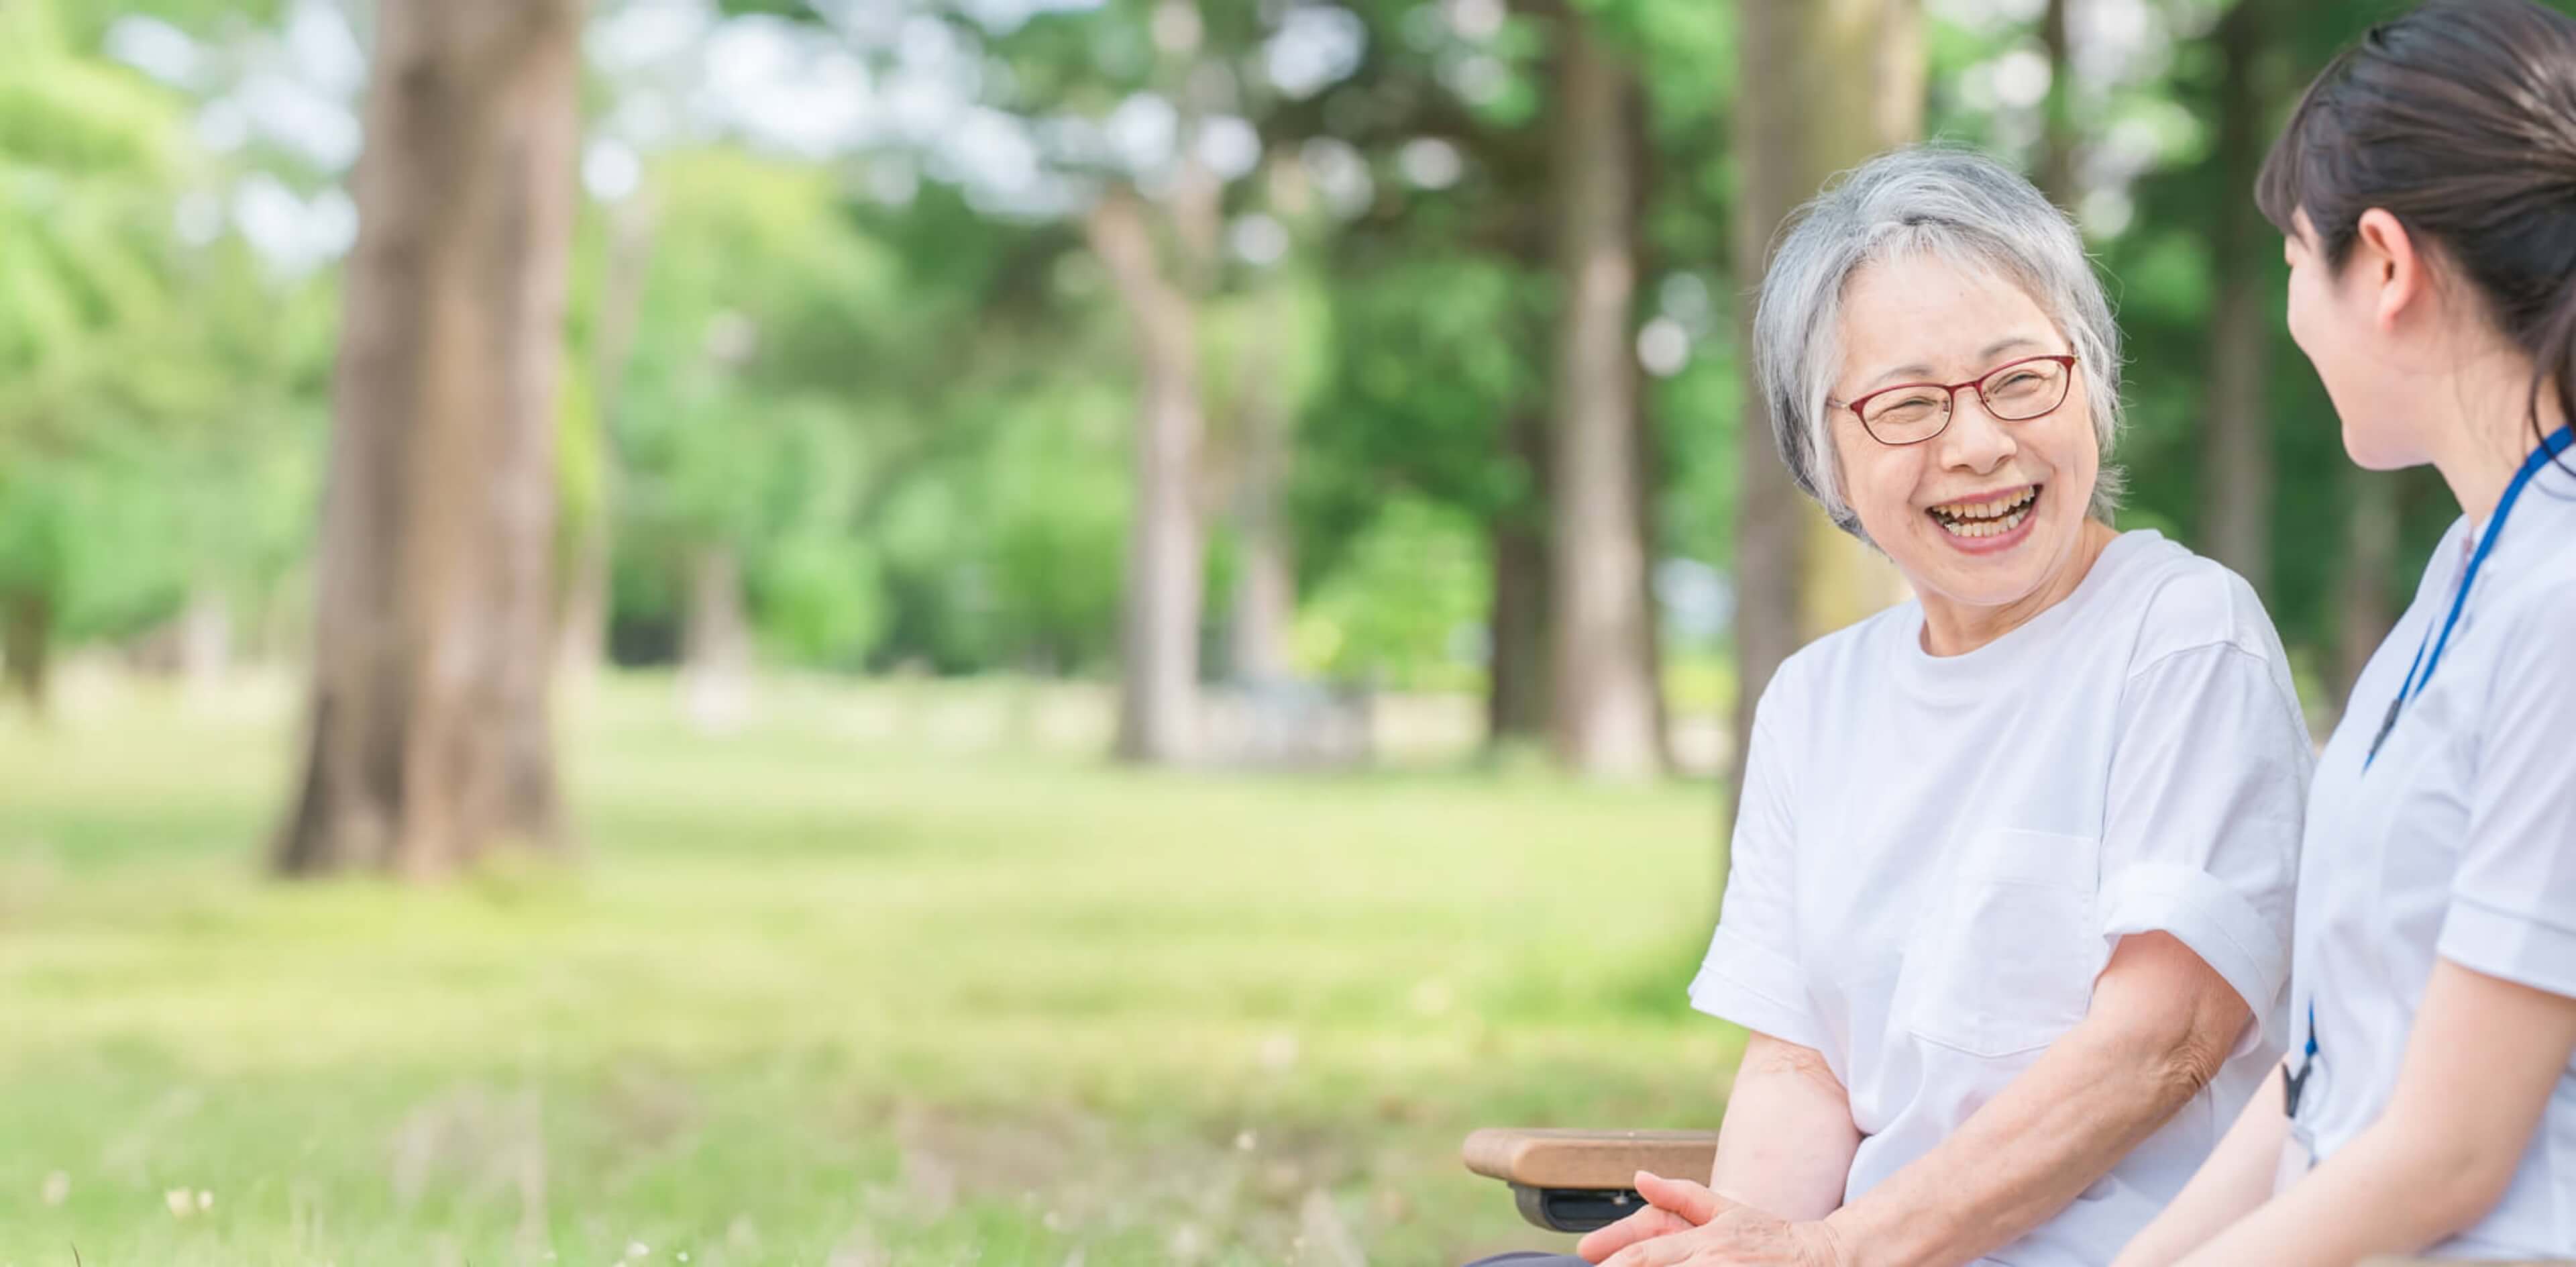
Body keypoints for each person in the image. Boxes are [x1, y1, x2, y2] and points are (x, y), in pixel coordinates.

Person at [1468, 146, 2313, 1267]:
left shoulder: (2184, 635)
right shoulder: (1818, 699)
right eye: (1908, 405)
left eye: (2020, 381)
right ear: (1823, 450)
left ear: (2090, 385)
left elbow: (2163, 1043)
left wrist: (1837, 1252)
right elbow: (1802, 1064)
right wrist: (1755, 1245)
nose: (1977, 445)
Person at [2112, 4, 2576, 1264]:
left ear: (2382, 264)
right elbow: (2329, 1069)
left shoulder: (2561, 602)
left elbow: (2451, 1154)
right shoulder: (2469, 567)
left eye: (2291, 266)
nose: (2292, 317)